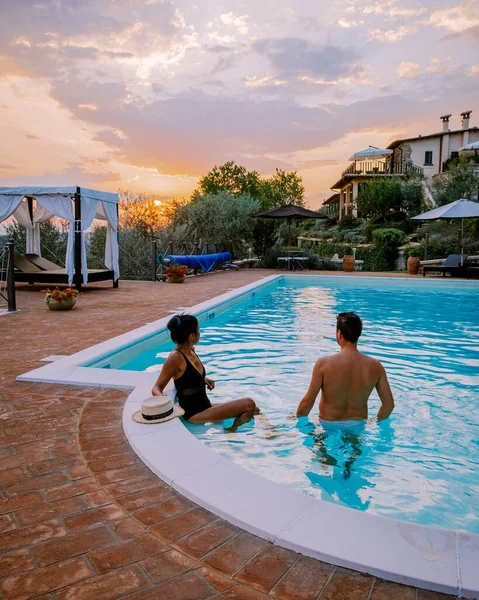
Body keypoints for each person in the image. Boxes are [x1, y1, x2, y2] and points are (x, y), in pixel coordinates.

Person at [152, 314, 259, 432]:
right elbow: (157, 387)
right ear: (191, 336)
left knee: (255, 409)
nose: (199, 333)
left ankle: (270, 430)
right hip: (194, 413)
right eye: (198, 330)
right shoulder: (176, 358)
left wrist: (202, 379)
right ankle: (231, 430)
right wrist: (164, 401)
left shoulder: (191, 350)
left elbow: (186, 375)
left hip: (205, 406)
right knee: (249, 404)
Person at [296, 312, 394, 423]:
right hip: (357, 427)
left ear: (339, 334)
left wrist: (297, 418)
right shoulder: (376, 366)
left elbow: (308, 402)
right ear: (358, 334)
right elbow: (388, 405)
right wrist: (374, 422)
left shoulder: (323, 364)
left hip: (328, 426)